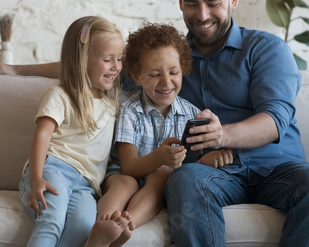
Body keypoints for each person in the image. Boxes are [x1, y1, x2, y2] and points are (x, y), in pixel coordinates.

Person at [0, 0, 309, 247]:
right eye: (192, 3)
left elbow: (276, 118)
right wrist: (15, 71)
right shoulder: (166, 59)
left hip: (275, 168)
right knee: (183, 180)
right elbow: (97, 63)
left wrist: (222, 135)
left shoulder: (265, 49)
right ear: (180, 1)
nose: (203, 14)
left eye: (213, 2)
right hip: (210, 174)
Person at [97, 23, 233, 245]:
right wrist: (160, 157)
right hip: (124, 175)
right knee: (125, 184)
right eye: (155, 74)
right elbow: (129, 166)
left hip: (160, 183)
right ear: (137, 77)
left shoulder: (191, 114)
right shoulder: (130, 111)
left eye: (173, 72)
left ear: (183, 69)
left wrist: (207, 161)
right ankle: (102, 226)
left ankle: (125, 225)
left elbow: (189, 167)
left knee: (161, 176)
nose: (166, 81)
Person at [18, 16, 130, 247]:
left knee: (84, 227)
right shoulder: (61, 95)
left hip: (86, 184)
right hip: (54, 168)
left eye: (119, 59)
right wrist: (37, 178)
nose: (116, 66)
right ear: (82, 60)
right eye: (108, 59)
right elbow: (42, 135)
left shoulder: (113, 101)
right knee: (52, 220)